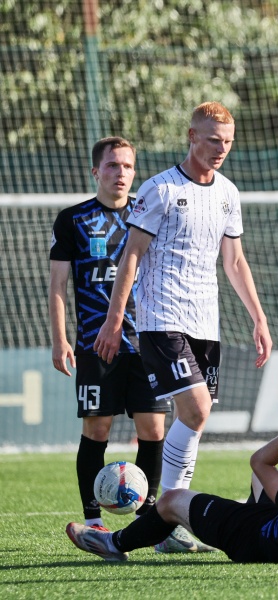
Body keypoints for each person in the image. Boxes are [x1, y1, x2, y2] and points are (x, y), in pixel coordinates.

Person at [93, 102, 273, 553]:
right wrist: (115, 320)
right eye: (212, 139)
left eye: (227, 141)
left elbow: (234, 261)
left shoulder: (228, 193)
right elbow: (131, 256)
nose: (221, 148)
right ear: (192, 136)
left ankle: (167, 526)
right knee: (195, 410)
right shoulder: (160, 190)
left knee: (194, 419)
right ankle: (169, 517)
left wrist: (258, 317)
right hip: (161, 318)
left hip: (205, 321)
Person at [65, 405, 278, 563]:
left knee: (171, 501)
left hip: (251, 539)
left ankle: (115, 544)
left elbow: (261, 461)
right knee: (262, 481)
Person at [49, 136, 170, 532]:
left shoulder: (147, 215)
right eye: (113, 165)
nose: (121, 173)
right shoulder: (73, 220)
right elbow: (58, 285)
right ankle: (94, 522)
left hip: (147, 342)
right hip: (94, 345)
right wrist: (60, 339)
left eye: (128, 166)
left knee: (153, 429)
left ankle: (147, 521)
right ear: (95, 171)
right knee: (97, 429)